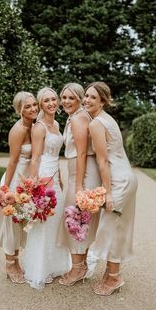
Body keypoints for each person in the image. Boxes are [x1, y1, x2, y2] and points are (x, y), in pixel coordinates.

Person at [84, 81, 138, 296]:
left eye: (93, 98)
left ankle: (114, 278)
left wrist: (106, 192)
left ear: (103, 101)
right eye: (86, 96)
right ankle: (111, 273)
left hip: (118, 181)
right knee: (118, 227)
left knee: (110, 228)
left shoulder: (96, 124)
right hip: (127, 178)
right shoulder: (107, 119)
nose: (87, 100)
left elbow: (103, 161)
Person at [22, 87, 71, 289]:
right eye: (46, 101)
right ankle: (40, 268)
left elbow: (56, 155)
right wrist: (34, 186)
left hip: (55, 176)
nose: (51, 103)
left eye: (54, 99)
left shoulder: (57, 124)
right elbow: (35, 158)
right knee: (44, 222)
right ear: (41, 105)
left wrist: (59, 178)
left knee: (56, 221)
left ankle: (55, 264)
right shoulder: (39, 127)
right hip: (43, 177)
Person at [0, 91, 38, 284]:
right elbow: (12, 161)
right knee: (12, 224)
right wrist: (6, 189)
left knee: (21, 223)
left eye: (34, 104)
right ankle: (10, 264)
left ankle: (16, 262)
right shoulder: (17, 130)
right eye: (27, 106)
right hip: (14, 181)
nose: (33, 108)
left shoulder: (33, 126)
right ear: (19, 110)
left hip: (27, 181)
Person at [57, 82, 101, 286]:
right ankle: (80, 266)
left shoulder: (79, 118)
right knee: (81, 218)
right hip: (78, 172)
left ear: (79, 99)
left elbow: (82, 153)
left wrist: (78, 187)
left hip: (82, 175)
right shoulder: (75, 117)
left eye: (71, 98)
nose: (66, 101)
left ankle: (77, 269)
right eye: (63, 97)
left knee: (74, 216)